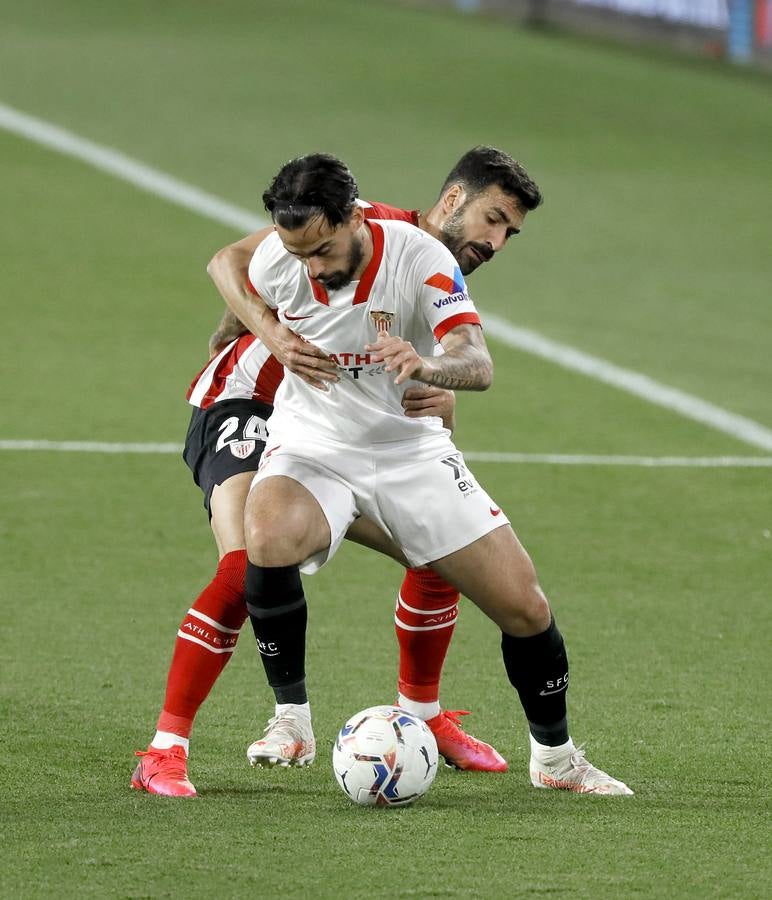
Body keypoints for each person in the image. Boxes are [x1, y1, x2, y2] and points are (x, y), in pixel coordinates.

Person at [131, 149, 547, 797]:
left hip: (343, 434)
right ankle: (165, 749)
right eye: (492, 219)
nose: (496, 241)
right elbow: (235, 262)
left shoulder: (430, 263)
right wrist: (264, 332)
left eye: (509, 232)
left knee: (440, 553)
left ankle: (423, 716)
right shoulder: (357, 226)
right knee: (249, 567)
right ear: (451, 201)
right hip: (250, 404)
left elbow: (435, 354)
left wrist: (438, 392)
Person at [219, 153, 633, 796]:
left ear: (354, 218)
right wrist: (268, 335)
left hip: (411, 454)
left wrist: (426, 368)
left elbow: (476, 361)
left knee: (524, 607)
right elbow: (236, 282)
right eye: (301, 255)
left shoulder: (420, 258)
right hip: (315, 445)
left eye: (325, 250)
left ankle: (556, 761)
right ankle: (290, 721)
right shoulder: (283, 256)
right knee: (266, 532)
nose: (315, 269)